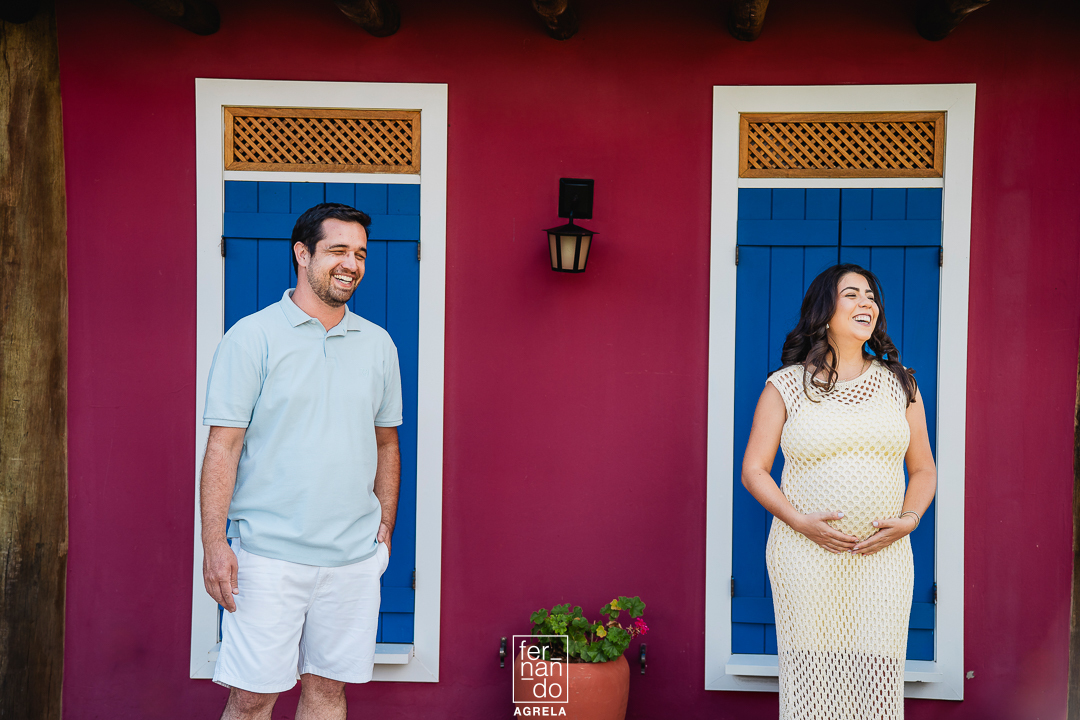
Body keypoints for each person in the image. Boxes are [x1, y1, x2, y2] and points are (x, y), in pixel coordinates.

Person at [200, 203, 402, 720]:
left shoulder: (379, 344)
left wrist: (383, 528)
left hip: (353, 560)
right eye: (338, 250)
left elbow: (386, 443)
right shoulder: (252, 336)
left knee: (328, 691)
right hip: (267, 557)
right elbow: (223, 446)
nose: (351, 264)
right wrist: (215, 544)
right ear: (302, 253)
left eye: (360, 254)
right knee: (251, 698)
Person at [741, 264, 937, 720]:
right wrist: (799, 522)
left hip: (883, 558)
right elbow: (754, 470)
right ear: (824, 311)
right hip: (805, 554)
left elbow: (924, 470)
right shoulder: (785, 385)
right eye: (852, 294)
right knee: (812, 684)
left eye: (871, 295)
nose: (866, 303)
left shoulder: (901, 384)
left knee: (876, 683)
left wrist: (908, 522)